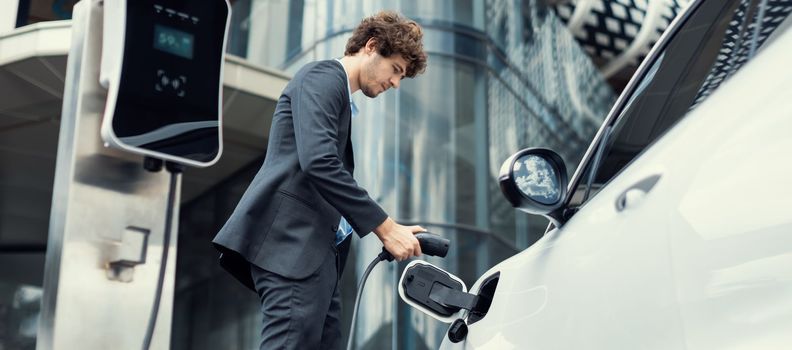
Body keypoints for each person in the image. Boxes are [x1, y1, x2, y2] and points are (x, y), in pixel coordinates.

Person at [212, 10, 428, 350]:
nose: (395, 83)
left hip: (316, 258)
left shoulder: (338, 96)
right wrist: (386, 228)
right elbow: (320, 161)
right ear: (371, 46)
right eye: (396, 70)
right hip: (292, 249)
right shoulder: (322, 77)